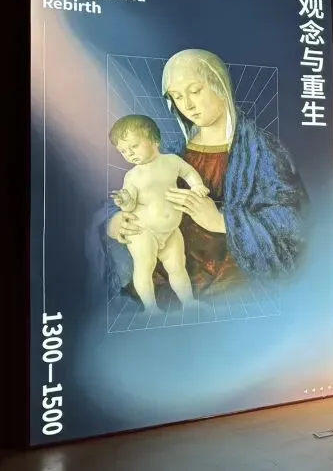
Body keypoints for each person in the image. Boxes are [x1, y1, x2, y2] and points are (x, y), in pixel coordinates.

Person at [92, 48, 309, 306]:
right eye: (177, 97)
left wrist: (222, 221)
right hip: (167, 272)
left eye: (195, 91)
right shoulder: (174, 153)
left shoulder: (261, 151)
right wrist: (116, 221)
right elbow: (128, 196)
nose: (187, 105)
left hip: (229, 284)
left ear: (220, 86)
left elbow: (295, 222)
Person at [109, 114, 207, 313]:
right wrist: (124, 201)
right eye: (123, 151)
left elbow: (188, 172)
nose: (129, 154)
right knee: (144, 267)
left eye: (134, 146)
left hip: (171, 230)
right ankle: (151, 308)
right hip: (143, 231)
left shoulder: (172, 161)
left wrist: (197, 185)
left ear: (155, 141)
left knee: (177, 266)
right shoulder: (133, 176)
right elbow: (129, 206)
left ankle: (188, 302)